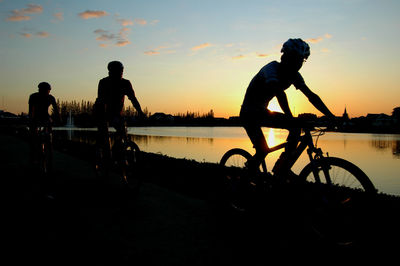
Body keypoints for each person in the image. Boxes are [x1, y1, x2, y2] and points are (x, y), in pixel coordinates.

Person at [239, 38, 335, 179]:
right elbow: (279, 93)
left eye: (301, 60)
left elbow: (311, 96)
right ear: (284, 56)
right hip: (248, 113)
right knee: (263, 151)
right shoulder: (271, 68)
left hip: (262, 112)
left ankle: (282, 167)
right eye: (294, 59)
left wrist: (331, 116)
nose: (297, 64)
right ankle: (245, 178)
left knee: (296, 129)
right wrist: (290, 117)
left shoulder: (294, 75)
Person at [94, 61, 145, 161]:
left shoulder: (125, 83)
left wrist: (140, 112)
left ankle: (118, 153)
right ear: (111, 72)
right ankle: (104, 156)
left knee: (122, 132)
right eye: (118, 71)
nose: (120, 73)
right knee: (104, 136)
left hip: (117, 113)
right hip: (102, 112)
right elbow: (101, 100)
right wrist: (105, 116)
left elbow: (133, 99)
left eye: (121, 71)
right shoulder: (104, 82)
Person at [28, 81, 60, 163]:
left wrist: (58, 119)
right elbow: (31, 110)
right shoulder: (33, 97)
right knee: (33, 136)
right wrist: (31, 120)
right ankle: (34, 152)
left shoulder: (50, 98)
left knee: (48, 135)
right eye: (43, 90)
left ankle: (48, 147)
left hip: (45, 117)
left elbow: (56, 110)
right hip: (37, 117)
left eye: (47, 91)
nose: (45, 92)